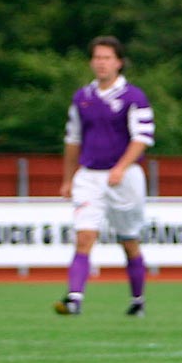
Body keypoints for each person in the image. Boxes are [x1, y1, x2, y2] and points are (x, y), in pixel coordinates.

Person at [55, 36, 155, 317]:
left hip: (125, 177)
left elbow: (143, 138)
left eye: (107, 58)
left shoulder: (133, 96)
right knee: (84, 235)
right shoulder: (82, 97)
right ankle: (74, 298)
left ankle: (138, 300)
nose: (101, 63)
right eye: (97, 57)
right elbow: (73, 139)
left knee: (129, 240)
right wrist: (68, 178)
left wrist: (121, 167)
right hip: (90, 176)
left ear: (119, 62)